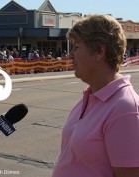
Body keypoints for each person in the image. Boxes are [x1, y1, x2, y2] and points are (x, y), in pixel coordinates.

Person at [52, 14, 139, 177]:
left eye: (76, 47)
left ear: (99, 51)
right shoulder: (90, 96)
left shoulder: (125, 108)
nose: (71, 55)